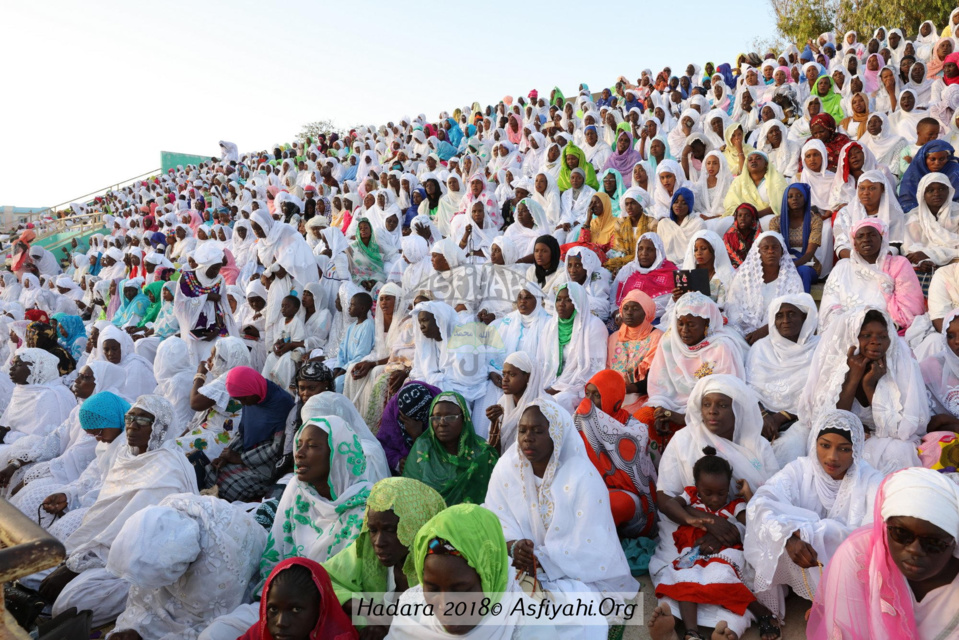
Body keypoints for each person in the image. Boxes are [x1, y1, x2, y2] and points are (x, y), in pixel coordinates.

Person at [484, 398, 639, 634]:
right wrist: (513, 546)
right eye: (522, 430)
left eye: (538, 431)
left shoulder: (581, 476)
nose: (527, 438)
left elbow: (591, 546)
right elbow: (496, 517)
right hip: (516, 563)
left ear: (557, 434)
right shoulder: (507, 468)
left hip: (572, 573)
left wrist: (541, 559)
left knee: (572, 614)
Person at [41, 395, 198, 627]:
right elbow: (106, 513)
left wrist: (80, 564)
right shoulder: (126, 455)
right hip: (104, 545)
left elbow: (141, 538)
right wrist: (81, 555)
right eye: (129, 418)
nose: (132, 426)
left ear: (160, 427)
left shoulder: (169, 469)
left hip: (137, 558)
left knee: (71, 602)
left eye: (143, 420)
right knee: (39, 570)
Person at [649, 375, 779, 639]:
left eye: (722, 405)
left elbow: (773, 500)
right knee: (681, 568)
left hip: (741, 526)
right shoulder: (684, 439)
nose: (712, 411)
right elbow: (665, 497)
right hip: (686, 524)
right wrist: (707, 523)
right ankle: (680, 626)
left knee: (737, 571)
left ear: (737, 408)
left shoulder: (757, 446)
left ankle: (727, 627)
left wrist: (729, 530)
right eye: (707, 404)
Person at [745, 410, 884, 624]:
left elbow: (873, 531)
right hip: (799, 552)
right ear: (814, 443)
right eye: (825, 445)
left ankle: (831, 599)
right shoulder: (800, 469)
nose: (832, 457)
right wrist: (788, 537)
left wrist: (819, 533)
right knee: (770, 529)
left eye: (844, 449)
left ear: (856, 449)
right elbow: (762, 502)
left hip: (846, 563)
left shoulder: (870, 480)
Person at [806, 467, 959, 640]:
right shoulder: (857, 554)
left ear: (954, 541)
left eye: (933, 542)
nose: (915, 550)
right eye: (901, 533)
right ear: (885, 526)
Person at [653, 447, 778, 640]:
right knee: (683, 576)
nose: (714, 499)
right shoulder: (690, 496)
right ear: (697, 486)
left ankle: (762, 612)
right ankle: (691, 633)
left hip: (725, 552)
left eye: (721, 493)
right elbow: (670, 504)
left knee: (722, 575)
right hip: (696, 552)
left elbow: (751, 525)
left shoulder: (735, 506)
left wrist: (747, 497)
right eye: (708, 493)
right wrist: (688, 518)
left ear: (728, 488)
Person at [105, 494, 268, 640]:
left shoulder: (220, 565)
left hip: (224, 573)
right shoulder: (167, 515)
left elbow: (206, 622)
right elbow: (145, 595)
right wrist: (133, 628)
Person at [386, 503, 555, 640]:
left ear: (490, 580)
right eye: (433, 589)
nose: (446, 605)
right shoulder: (411, 616)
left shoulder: (530, 627)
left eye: (461, 590)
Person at [800, 306, 929, 473]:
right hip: (840, 437)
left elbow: (901, 430)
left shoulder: (901, 363)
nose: (876, 341)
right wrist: (853, 378)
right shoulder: (835, 367)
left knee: (899, 450)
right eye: (866, 335)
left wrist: (869, 385)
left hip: (883, 437)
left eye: (883, 336)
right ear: (851, 337)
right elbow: (829, 422)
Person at [322, 477, 447, 633]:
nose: (378, 542)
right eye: (373, 530)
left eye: (391, 530)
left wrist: (392, 628)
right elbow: (320, 579)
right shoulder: (366, 548)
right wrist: (370, 612)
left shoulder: (443, 564)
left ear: (416, 527)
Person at [645, 293, 746, 439]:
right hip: (669, 406)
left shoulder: (721, 347)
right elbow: (658, 384)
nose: (684, 330)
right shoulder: (669, 342)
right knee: (644, 420)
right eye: (680, 323)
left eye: (691, 325)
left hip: (709, 414)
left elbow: (726, 395)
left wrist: (684, 417)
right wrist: (661, 410)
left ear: (706, 324)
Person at [573, 370, 657, 537]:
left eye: (597, 395)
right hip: (590, 487)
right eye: (587, 394)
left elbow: (635, 475)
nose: (589, 401)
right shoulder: (581, 422)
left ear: (614, 398)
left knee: (610, 505)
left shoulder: (635, 429)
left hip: (631, 497)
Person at [199, 366, 295, 502]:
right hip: (248, 453)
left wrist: (241, 458)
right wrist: (226, 455)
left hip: (269, 462)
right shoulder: (253, 397)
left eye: (243, 399)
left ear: (252, 389)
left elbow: (279, 447)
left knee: (229, 487)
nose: (243, 404)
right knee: (211, 471)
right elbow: (243, 431)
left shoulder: (282, 404)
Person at [745, 294, 821, 466]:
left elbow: (822, 393)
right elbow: (749, 389)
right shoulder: (761, 348)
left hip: (803, 418)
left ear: (805, 317)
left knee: (790, 446)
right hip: (759, 415)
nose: (785, 320)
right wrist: (763, 416)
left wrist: (781, 417)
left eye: (792, 314)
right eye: (779, 316)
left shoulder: (820, 348)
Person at [820, 218, 925, 334]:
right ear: (854, 243)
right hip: (848, 332)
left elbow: (910, 307)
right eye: (860, 236)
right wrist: (854, 329)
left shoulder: (898, 264)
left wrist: (880, 329)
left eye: (872, 235)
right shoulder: (842, 268)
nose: (866, 239)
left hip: (888, 331)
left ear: (882, 238)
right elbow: (830, 307)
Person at [402, 391, 498, 506]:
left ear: (464, 419)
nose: (442, 423)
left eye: (451, 417)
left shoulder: (483, 454)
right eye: (436, 417)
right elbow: (409, 495)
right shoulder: (423, 448)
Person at [238, 558, 358, 640]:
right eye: (273, 609)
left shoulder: (338, 637)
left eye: (296, 610)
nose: (281, 622)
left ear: (319, 609)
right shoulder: (259, 634)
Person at [538, 283, 608, 413]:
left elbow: (590, 371)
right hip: (551, 381)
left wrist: (556, 388)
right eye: (559, 299)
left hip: (578, 388)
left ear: (579, 302)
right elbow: (542, 362)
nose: (561, 304)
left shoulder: (594, 326)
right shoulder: (551, 326)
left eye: (568, 300)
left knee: (557, 401)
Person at [725, 231, 804, 344]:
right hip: (741, 333)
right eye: (765, 248)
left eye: (775, 247)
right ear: (758, 252)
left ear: (782, 251)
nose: (770, 251)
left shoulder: (792, 279)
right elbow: (733, 308)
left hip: (778, 335)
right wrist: (743, 333)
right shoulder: (744, 277)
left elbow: (794, 313)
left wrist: (766, 330)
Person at [0, 348, 76, 452]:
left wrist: (8, 436)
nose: (12, 369)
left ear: (36, 369)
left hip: (34, 453)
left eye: (18, 364)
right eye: (13, 364)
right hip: (14, 444)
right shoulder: (22, 390)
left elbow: (48, 443)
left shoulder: (51, 396)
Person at [609, 232, 678, 320]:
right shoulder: (629, 269)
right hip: (624, 318)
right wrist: (618, 315)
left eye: (650, 249)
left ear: (658, 252)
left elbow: (666, 303)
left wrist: (637, 316)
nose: (644, 253)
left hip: (655, 320)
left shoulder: (670, 273)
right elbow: (613, 299)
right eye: (640, 249)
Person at [377, 381, 440, 474]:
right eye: (411, 419)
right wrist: (398, 462)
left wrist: (418, 436)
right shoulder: (393, 412)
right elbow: (382, 446)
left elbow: (443, 456)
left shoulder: (441, 411)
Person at [485, 351, 543, 451]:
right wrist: (495, 423)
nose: (505, 379)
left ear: (528, 377)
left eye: (512, 374)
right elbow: (494, 451)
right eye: (504, 374)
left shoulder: (543, 407)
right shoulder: (503, 403)